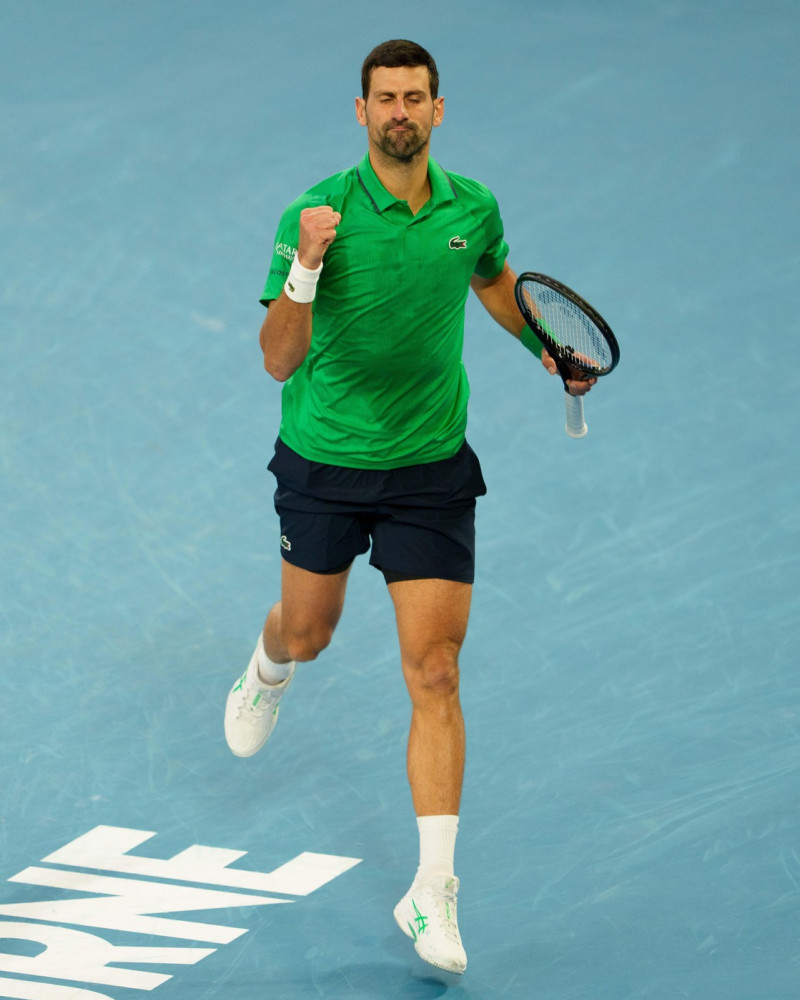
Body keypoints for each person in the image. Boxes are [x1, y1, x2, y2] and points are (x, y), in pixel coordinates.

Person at [224, 39, 595, 975]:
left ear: (438, 110)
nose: (400, 111)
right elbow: (276, 357)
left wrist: (544, 346)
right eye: (384, 98)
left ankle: (432, 890)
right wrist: (307, 263)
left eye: (414, 99)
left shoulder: (472, 208)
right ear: (361, 113)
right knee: (311, 633)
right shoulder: (318, 215)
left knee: (435, 671)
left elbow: (494, 282)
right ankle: (268, 665)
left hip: (430, 467)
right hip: (327, 462)